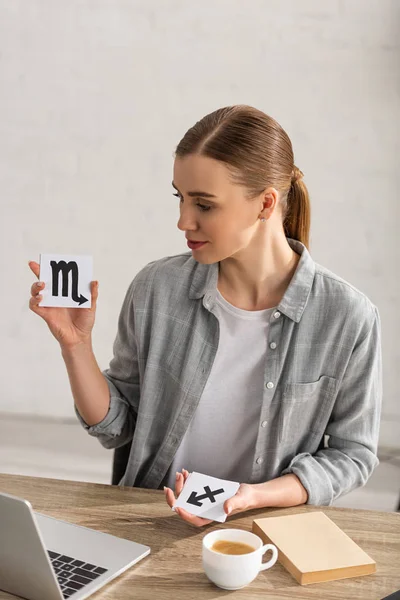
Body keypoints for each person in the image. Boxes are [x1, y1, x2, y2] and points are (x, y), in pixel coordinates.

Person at [29, 105, 382, 528]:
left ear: (265, 203)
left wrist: (252, 497)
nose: (183, 220)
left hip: (265, 532)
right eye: (180, 197)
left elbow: (352, 453)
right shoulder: (157, 288)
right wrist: (75, 346)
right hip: (153, 520)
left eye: (205, 205)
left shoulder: (347, 316)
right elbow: (117, 426)